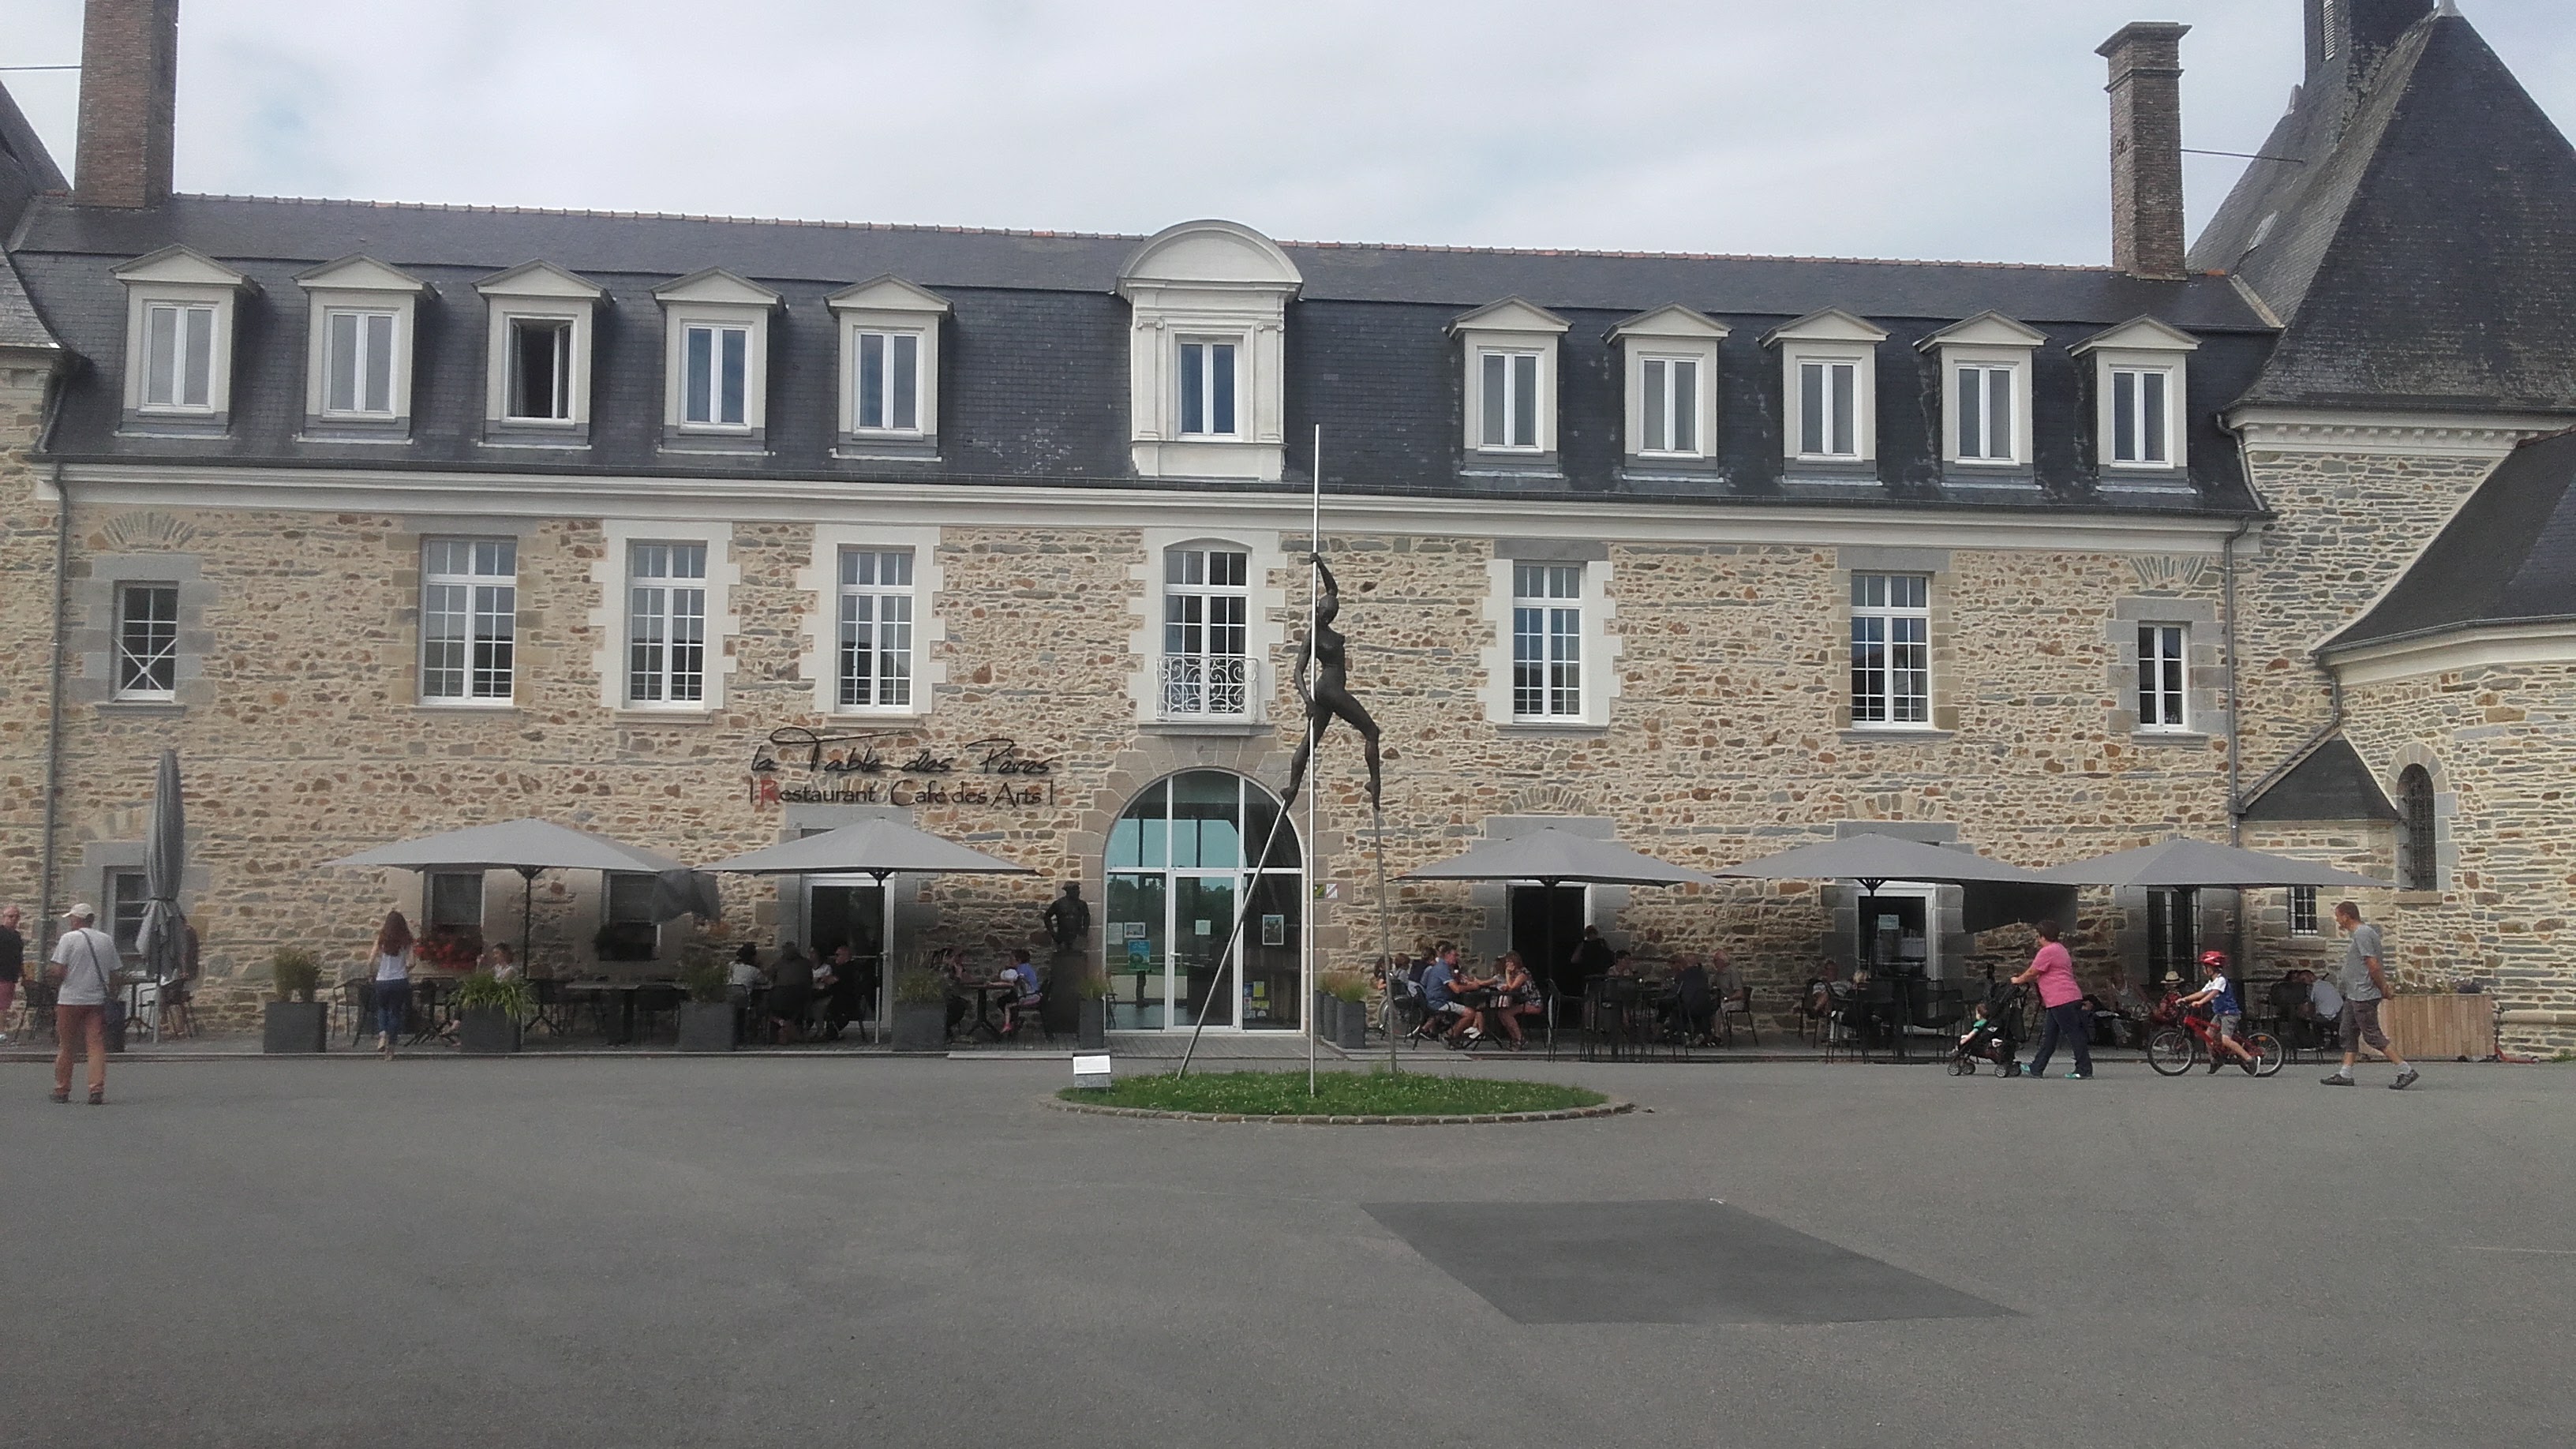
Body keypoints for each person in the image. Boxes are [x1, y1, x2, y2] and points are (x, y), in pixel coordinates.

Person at [2323, 903, 2416, 1089]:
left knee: (2372, 1035)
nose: (2337, 920)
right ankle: (2345, 1074)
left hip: (2363, 994)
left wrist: (2383, 988)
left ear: (2346, 916)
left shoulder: (2362, 934)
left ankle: (2405, 1070)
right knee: (2348, 1032)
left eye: (2338, 916)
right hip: (2354, 994)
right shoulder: (2360, 934)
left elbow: (2373, 965)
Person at [47, 905, 120, 1105]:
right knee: (95, 1045)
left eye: (72, 918)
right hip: (95, 999)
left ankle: (62, 1088)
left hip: (70, 999)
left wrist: (59, 978)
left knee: (66, 1045)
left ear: (77, 919)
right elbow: (114, 972)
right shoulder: (106, 940)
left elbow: (59, 970)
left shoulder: (68, 939)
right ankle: (96, 1089)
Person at [2012, 919, 2092, 1080]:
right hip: (2063, 998)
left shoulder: (2047, 951)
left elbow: (2033, 972)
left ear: (2043, 936)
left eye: (2038, 936)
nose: (2038, 939)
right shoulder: (2060, 949)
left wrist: (2017, 980)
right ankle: (2037, 1067)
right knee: (2049, 1036)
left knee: (2073, 1034)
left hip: (2060, 998)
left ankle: (2084, 1069)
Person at [2175, 949, 2262, 1075]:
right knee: (2208, 1036)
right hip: (2220, 1013)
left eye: (2206, 967)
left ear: (2212, 968)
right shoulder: (2212, 982)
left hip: (2229, 1013)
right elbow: (2202, 992)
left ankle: (2250, 1059)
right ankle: (2215, 1060)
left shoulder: (2221, 980)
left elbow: (2213, 993)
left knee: (2225, 1039)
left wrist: (2201, 1002)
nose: (2204, 969)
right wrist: (2185, 999)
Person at [369, 911, 416, 1060]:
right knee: (395, 1012)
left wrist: (372, 974)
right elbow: (412, 962)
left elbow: (371, 960)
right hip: (399, 980)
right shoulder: (407, 939)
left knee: (382, 1008)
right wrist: (405, 970)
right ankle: (391, 1049)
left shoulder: (382, 938)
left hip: (382, 980)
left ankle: (383, 1034)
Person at [1420, 944, 1479, 1046]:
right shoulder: (1442, 968)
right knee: (1470, 1013)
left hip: (1437, 999)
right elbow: (1456, 989)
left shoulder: (1442, 966)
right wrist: (1473, 987)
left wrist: (1458, 979)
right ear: (1447, 955)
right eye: (1455, 955)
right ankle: (1449, 1036)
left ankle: (1453, 1035)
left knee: (1464, 1008)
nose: (1457, 957)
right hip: (1439, 1002)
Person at [1492, 952, 1543, 1047]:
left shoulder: (1522, 974)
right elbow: (1510, 985)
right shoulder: (1515, 974)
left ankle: (1520, 1039)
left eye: (1508, 962)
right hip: (1523, 1001)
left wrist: (1507, 973)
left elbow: (1512, 987)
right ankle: (1514, 1038)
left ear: (1514, 962)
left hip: (1533, 1002)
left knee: (1507, 1013)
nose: (1506, 964)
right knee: (1501, 1013)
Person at [767, 942, 815, 1043]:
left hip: (779, 998)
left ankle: (777, 1030)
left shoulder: (778, 963)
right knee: (799, 1009)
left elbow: (771, 978)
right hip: (801, 999)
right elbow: (810, 981)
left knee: (765, 1005)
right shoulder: (806, 963)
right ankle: (793, 1029)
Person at [1042, 883, 1091, 953]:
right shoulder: (1058, 903)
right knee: (1062, 956)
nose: (1078, 892)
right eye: (1075, 889)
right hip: (1062, 937)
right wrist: (1053, 933)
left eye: (1078, 889)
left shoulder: (1082, 904)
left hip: (1077, 937)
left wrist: (1084, 931)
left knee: (1078, 956)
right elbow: (1047, 916)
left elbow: (1087, 917)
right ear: (1069, 891)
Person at [0, 903, 24, 1044]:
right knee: (2, 1005)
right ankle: (1, 1032)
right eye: (10, 916)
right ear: (4, 917)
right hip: (2, 974)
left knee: (4, 1005)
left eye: (16, 916)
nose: (13, 919)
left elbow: (19, 956)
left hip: (10, 976)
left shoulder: (17, 936)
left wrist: (22, 973)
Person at [2306, 968, 2344, 1050]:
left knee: (2313, 1021)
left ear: (2311, 977)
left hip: (2330, 1016)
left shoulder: (2313, 987)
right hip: (2340, 1013)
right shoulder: (2327, 984)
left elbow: (2310, 1005)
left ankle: (2319, 1044)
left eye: (2304, 979)